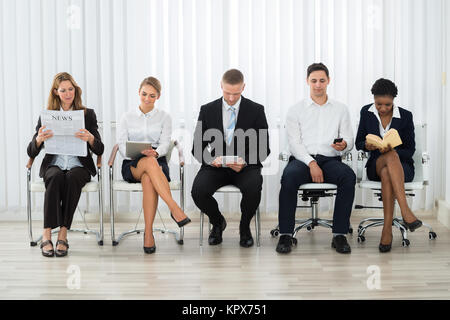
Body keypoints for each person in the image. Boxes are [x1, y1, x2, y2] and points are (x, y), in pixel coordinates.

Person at [276, 63, 356, 254]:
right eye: (314, 81)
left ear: (328, 81)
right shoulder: (296, 110)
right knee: (288, 178)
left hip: (330, 160)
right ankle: (286, 234)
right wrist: (311, 163)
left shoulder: (340, 109)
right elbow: (294, 143)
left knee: (348, 177)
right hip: (302, 160)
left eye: (322, 80)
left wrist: (344, 145)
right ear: (307, 82)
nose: (318, 85)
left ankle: (339, 234)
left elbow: (349, 138)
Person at [27, 72, 104, 258]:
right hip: (55, 163)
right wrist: (38, 140)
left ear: (75, 90)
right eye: (63, 90)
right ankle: (47, 232)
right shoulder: (47, 115)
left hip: (79, 165)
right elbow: (31, 152)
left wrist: (90, 138)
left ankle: (62, 233)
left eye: (71, 89)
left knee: (71, 177)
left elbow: (100, 148)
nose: (68, 93)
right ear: (56, 92)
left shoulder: (87, 114)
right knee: (55, 177)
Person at [191, 69, 270, 247]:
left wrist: (245, 161)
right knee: (198, 192)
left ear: (244, 87)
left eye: (236, 93)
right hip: (215, 167)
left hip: (246, 166)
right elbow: (197, 147)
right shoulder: (207, 110)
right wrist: (211, 160)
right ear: (221, 86)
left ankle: (244, 227)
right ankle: (217, 222)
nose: (232, 98)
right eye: (227, 93)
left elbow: (264, 147)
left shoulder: (256, 110)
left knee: (253, 188)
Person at [117, 76, 191, 254]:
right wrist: (137, 153)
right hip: (132, 164)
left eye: (152, 95)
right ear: (138, 93)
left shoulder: (164, 117)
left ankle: (148, 234)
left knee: (149, 177)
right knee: (148, 163)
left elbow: (166, 143)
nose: (147, 99)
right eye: (144, 94)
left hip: (157, 163)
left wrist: (156, 152)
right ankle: (174, 208)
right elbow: (120, 146)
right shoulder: (126, 117)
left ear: (158, 96)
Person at [355, 78, 422, 253]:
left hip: (402, 167)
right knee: (385, 163)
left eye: (387, 105)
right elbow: (358, 142)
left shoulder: (405, 116)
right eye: (379, 104)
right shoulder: (366, 112)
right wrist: (367, 145)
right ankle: (406, 211)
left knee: (389, 167)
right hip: (375, 164)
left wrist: (392, 151)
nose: (383, 108)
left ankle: (387, 230)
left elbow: (410, 149)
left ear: (394, 100)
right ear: (373, 99)